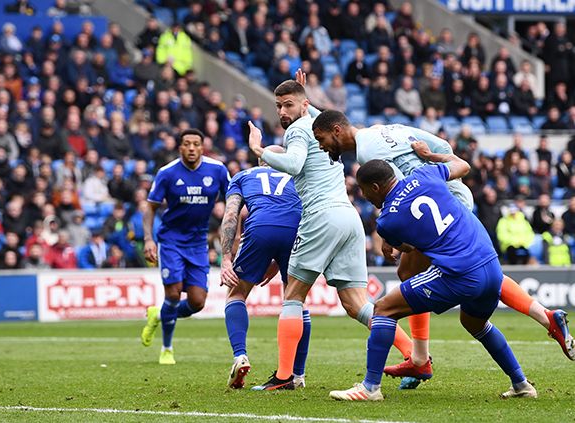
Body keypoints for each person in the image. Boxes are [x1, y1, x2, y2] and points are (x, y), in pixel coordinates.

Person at [312, 110, 575, 384]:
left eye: (321, 138)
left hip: (436, 204)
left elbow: (399, 193)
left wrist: (391, 236)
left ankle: (418, 361)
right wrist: (429, 160)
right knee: (435, 274)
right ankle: (541, 318)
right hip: (446, 191)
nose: (321, 145)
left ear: (337, 130)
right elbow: (444, 148)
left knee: (444, 273)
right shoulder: (382, 129)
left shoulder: (368, 155)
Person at [246, 74, 413, 391]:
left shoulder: (298, 129)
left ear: (304, 105)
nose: (282, 111)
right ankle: (416, 359)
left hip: (321, 216)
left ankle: (285, 376)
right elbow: (308, 146)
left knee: (293, 296)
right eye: (279, 105)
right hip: (349, 218)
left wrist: (258, 149)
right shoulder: (319, 126)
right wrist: (301, 99)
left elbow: (294, 164)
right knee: (357, 304)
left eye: (289, 104)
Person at [330, 157, 537, 401]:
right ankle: (521, 384)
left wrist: (389, 243)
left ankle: (370, 388)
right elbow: (462, 165)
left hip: (459, 273)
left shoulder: (386, 220)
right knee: (475, 324)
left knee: (383, 309)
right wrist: (431, 155)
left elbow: (406, 248)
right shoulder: (425, 175)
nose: (364, 196)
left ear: (375, 188)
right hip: (491, 266)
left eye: (364, 191)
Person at [220, 145, 307, 389]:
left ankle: (240, 355)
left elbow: (230, 216)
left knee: (236, 293)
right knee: (296, 302)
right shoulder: (297, 175)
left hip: (259, 230)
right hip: (297, 231)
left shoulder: (243, 176)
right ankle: (296, 375)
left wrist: (226, 258)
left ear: (261, 161)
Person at [140, 129, 230, 365]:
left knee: (197, 302)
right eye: (187, 144)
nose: (191, 148)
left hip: (198, 242)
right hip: (171, 239)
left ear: (203, 147)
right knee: (172, 292)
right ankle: (167, 348)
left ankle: (158, 314)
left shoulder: (218, 170)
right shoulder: (167, 173)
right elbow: (150, 207)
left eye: (196, 144)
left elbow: (234, 199)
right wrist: (149, 239)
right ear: (179, 147)